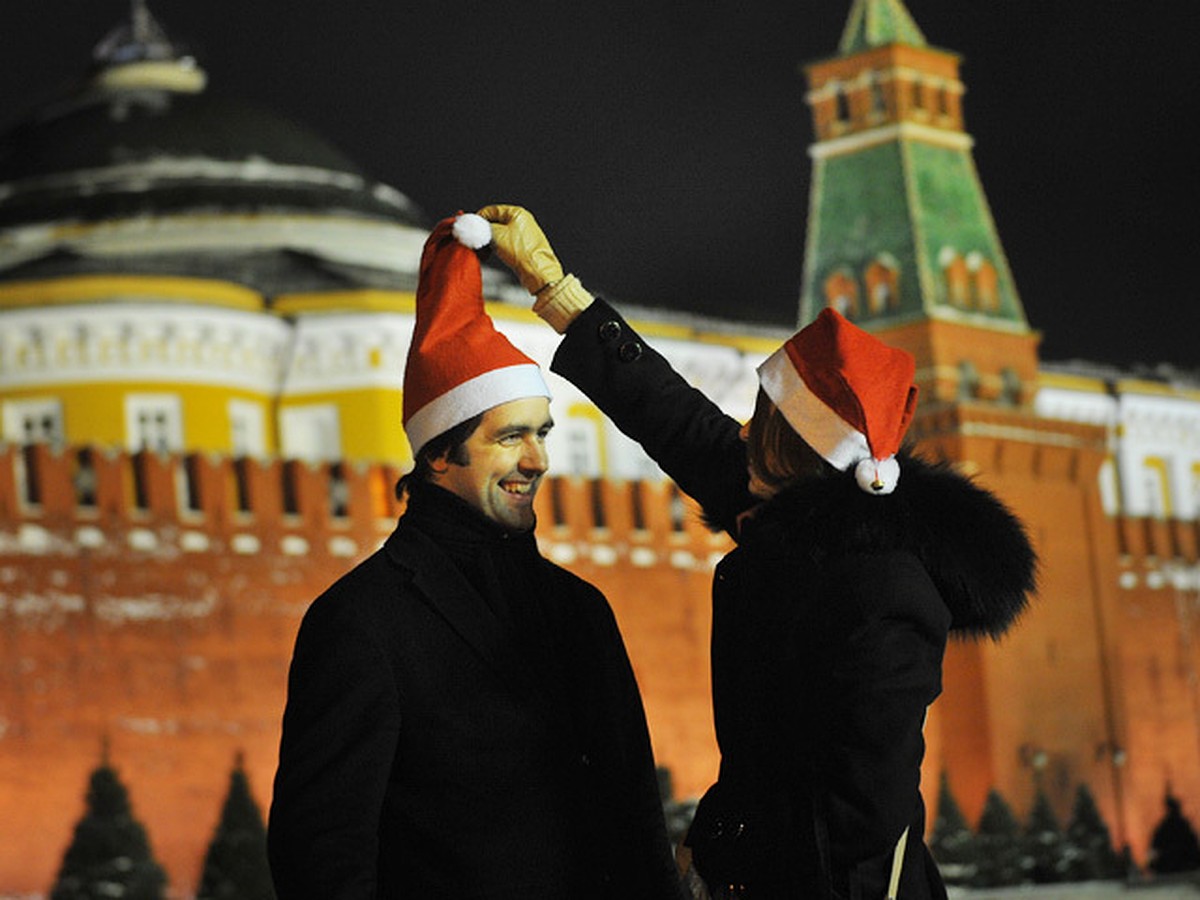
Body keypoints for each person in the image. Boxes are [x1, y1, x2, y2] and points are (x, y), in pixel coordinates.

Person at [479, 204, 1038, 900]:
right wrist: (555, 289)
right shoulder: (801, 523)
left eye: (764, 417)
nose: (743, 427)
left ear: (794, 446)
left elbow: (871, 808)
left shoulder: (879, 588)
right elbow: (676, 419)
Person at [267, 212, 686, 900]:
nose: (538, 460)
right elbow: (322, 853)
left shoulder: (581, 610)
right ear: (439, 451)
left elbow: (637, 823)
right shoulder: (362, 622)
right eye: (510, 437)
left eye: (543, 434)